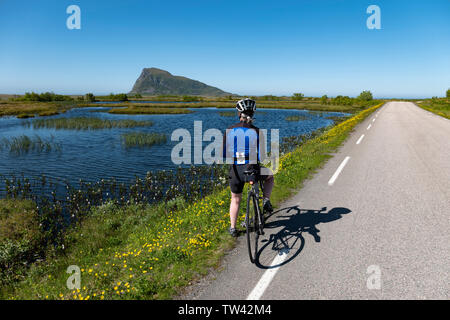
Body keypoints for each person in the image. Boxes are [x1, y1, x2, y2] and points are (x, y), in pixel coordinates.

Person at [222, 98, 274, 237]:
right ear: (253, 114)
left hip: (235, 171)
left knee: (235, 199)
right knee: (270, 176)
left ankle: (233, 228)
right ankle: (266, 201)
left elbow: (225, 154)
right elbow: (262, 156)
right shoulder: (257, 131)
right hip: (252, 170)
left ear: (239, 113)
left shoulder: (229, 130)